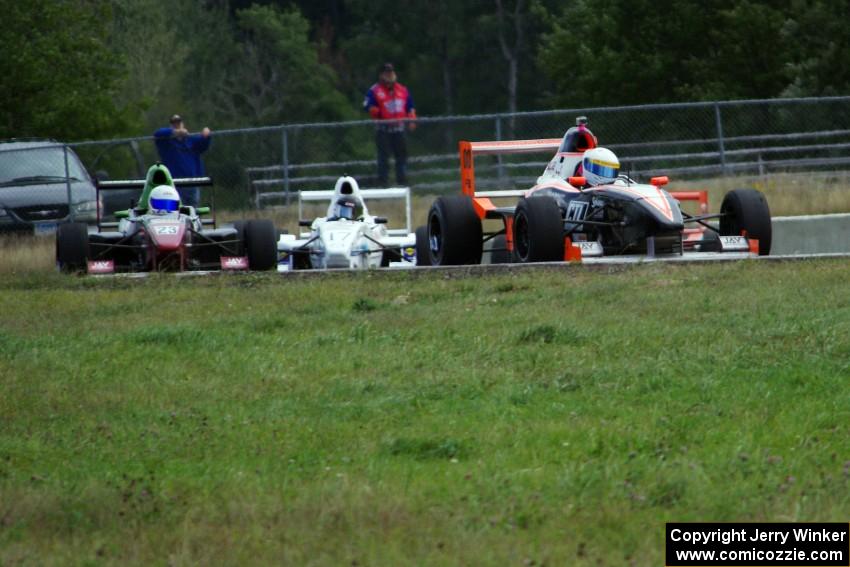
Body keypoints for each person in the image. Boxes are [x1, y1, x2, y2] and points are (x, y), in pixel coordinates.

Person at [363, 63, 417, 187]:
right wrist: (377, 112)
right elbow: (368, 106)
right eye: (387, 72)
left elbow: (410, 107)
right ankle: (383, 182)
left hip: (399, 129)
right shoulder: (375, 90)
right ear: (381, 75)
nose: (390, 75)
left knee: (401, 156)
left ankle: (402, 181)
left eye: (391, 72)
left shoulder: (402, 90)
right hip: (383, 129)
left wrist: (412, 119)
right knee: (383, 158)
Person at [153, 114, 211, 206]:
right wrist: (175, 132)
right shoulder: (165, 142)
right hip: (174, 184)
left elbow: (203, 144)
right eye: (174, 124)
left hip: (192, 183)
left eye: (179, 123)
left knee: (193, 210)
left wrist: (206, 134)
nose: (177, 125)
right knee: (178, 210)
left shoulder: (191, 140)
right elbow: (157, 133)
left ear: (183, 124)